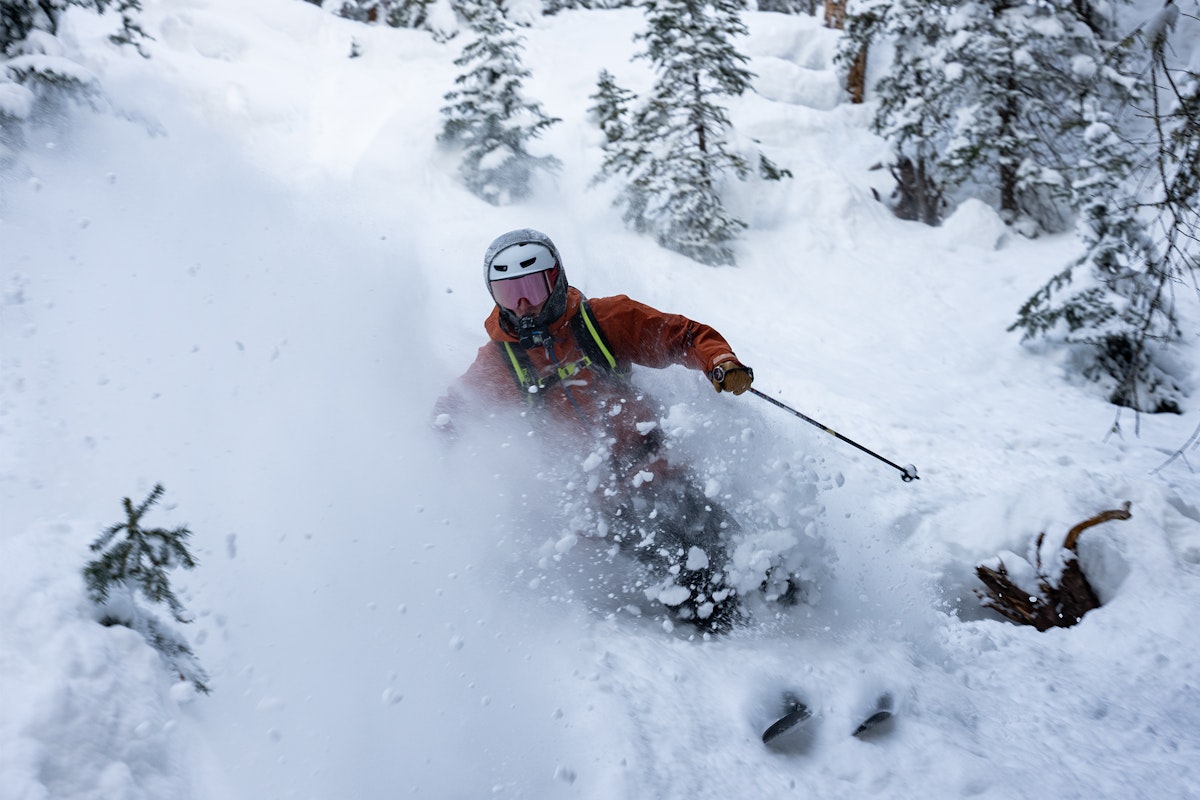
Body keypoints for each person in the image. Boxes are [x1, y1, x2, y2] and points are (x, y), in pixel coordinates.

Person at [434, 228, 755, 633]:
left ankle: (773, 587)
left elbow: (683, 335)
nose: (523, 304)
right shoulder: (502, 361)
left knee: (721, 537)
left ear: (556, 281)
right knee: (681, 566)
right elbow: (458, 407)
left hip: (648, 459)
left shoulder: (601, 321)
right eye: (509, 293)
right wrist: (430, 441)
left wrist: (719, 362)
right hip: (595, 494)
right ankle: (729, 636)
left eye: (532, 288)